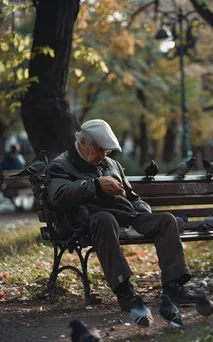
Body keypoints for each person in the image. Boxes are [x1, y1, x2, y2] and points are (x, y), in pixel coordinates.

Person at [45, 119, 198, 312]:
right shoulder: (60, 165)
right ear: (83, 142)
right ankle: (124, 290)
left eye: (106, 151)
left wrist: (142, 210)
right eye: (99, 149)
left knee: (166, 220)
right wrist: (95, 185)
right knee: (105, 219)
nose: (103, 155)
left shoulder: (112, 164)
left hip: (127, 216)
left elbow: (133, 197)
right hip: (87, 220)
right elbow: (58, 196)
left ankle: (174, 286)